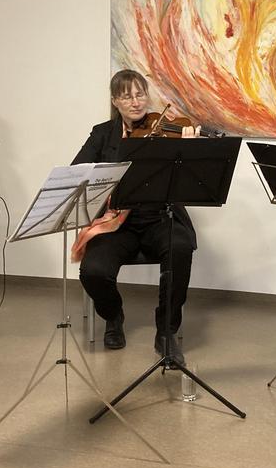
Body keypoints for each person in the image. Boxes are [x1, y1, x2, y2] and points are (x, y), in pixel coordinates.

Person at [71, 69, 199, 368]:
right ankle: (113, 315)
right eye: (127, 96)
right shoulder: (102, 134)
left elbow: (189, 177)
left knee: (180, 248)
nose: (136, 102)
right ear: (115, 101)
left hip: (159, 216)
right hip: (117, 223)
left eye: (140, 94)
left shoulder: (164, 129)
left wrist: (190, 148)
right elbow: (78, 170)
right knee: (93, 271)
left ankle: (166, 331)